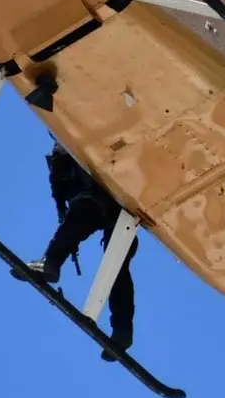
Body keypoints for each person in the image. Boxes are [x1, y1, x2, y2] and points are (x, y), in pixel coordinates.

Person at [11, 138, 137, 360]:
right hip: (121, 209)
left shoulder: (71, 147)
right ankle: (123, 330)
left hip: (97, 200)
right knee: (117, 268)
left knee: (77, 226)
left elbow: (64, 196)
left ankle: (50, 263)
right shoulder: (65, 154)